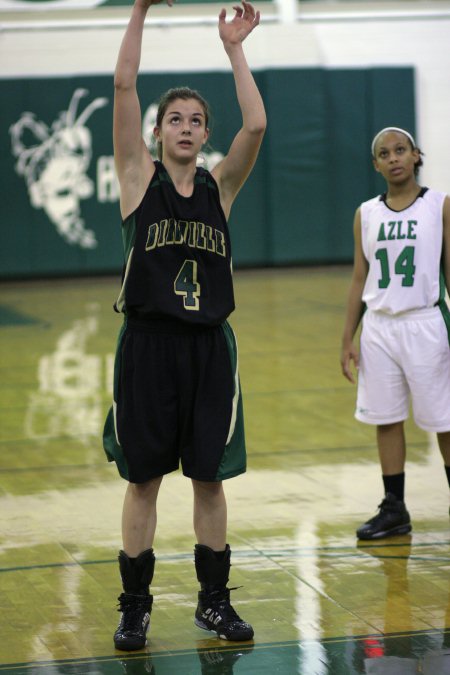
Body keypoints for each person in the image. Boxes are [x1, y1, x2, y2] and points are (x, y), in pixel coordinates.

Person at [102, 0, 266, 652]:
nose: (188, 127)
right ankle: (135, 607)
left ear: (204, 134)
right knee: (143, 480)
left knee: (209, 478)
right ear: (158, 130)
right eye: (176, 119)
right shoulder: (137, 179)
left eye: (197, 121)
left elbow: (255, 123)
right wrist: (139, 7)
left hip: (207, 347)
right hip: (146, 345)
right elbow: (122, 84)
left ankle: (214, 603)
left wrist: (234, 48)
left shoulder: (221, 188)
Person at [340, 126, 450, 540]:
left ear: (416, 154)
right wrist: (347, 337)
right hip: (379, 328)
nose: (393, 158)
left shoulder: (439, 205)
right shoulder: (366, 212)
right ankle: (395, 508)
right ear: (376, 164)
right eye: (384, 153)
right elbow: (358, 277)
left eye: (400, 150)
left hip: (425, 323)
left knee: (445, 420)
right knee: (385, 418)